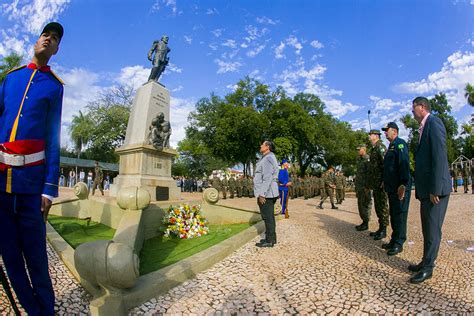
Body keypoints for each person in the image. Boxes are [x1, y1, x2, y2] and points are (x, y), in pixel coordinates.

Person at [0, 21, 64, 315]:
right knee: (11, 259)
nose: (49, 40)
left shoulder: (54, 87)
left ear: (56, 49)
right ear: (37, 41)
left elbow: (53, 139)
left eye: (55, 39)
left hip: (30, 190)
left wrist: (49, 190)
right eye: (45, 35)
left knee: (37, 259)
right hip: (1, 186)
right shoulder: (10, 80)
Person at [410, 96, 451, 284]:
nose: (412, 111)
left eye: (414, 107)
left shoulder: (434, 123)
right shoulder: (423, 127)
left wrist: (435, 189)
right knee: (427, 228)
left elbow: (439, 157)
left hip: (435, 191)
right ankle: (425, 261)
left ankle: (428, 268)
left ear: (422, 107)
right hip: (427, 190)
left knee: (433, 230)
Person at [382, 122, 411, 257]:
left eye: (387, 130)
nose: (385, 133)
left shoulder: (400, 144)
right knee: (394, 214)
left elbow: (403, 164)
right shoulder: (391, 146)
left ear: (394, 131)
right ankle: (394, 240)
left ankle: (399, 243)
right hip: (391, 188)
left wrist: (403, 185)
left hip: (399, 188)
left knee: (400, 215)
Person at [254, 140, 280, 247]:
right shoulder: (267, 157)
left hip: (266, 193)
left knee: (268, 217)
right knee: (269, 216)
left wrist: (262, 194)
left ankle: (269, 241)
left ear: (267, 147)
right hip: (268, 192)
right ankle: (271, 238)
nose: (260, 146)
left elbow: (267, 178)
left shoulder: (268, 158)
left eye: (262, 144)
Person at [368, 130, 390, 240]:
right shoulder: (373, 148)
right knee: (378, 206)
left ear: (376, 136)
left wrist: (384, 180)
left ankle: (384, 230)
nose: (368, 136)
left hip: (381, 183)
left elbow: (385, 164)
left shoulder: (380, 147)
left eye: (370, 135)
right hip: (376, 184)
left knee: (383, 206)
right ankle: (380, 228)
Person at [354, 144, 372, 230]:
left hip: (365, 187)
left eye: (359, 149)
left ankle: (366, 223)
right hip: (360, 187)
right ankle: (364, 222)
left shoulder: (367, 159)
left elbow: (369, 174)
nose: (357, 151)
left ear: (363, 149)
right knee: (361, 205)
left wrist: (367, 186)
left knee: (365, 204)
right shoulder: (360, 160)